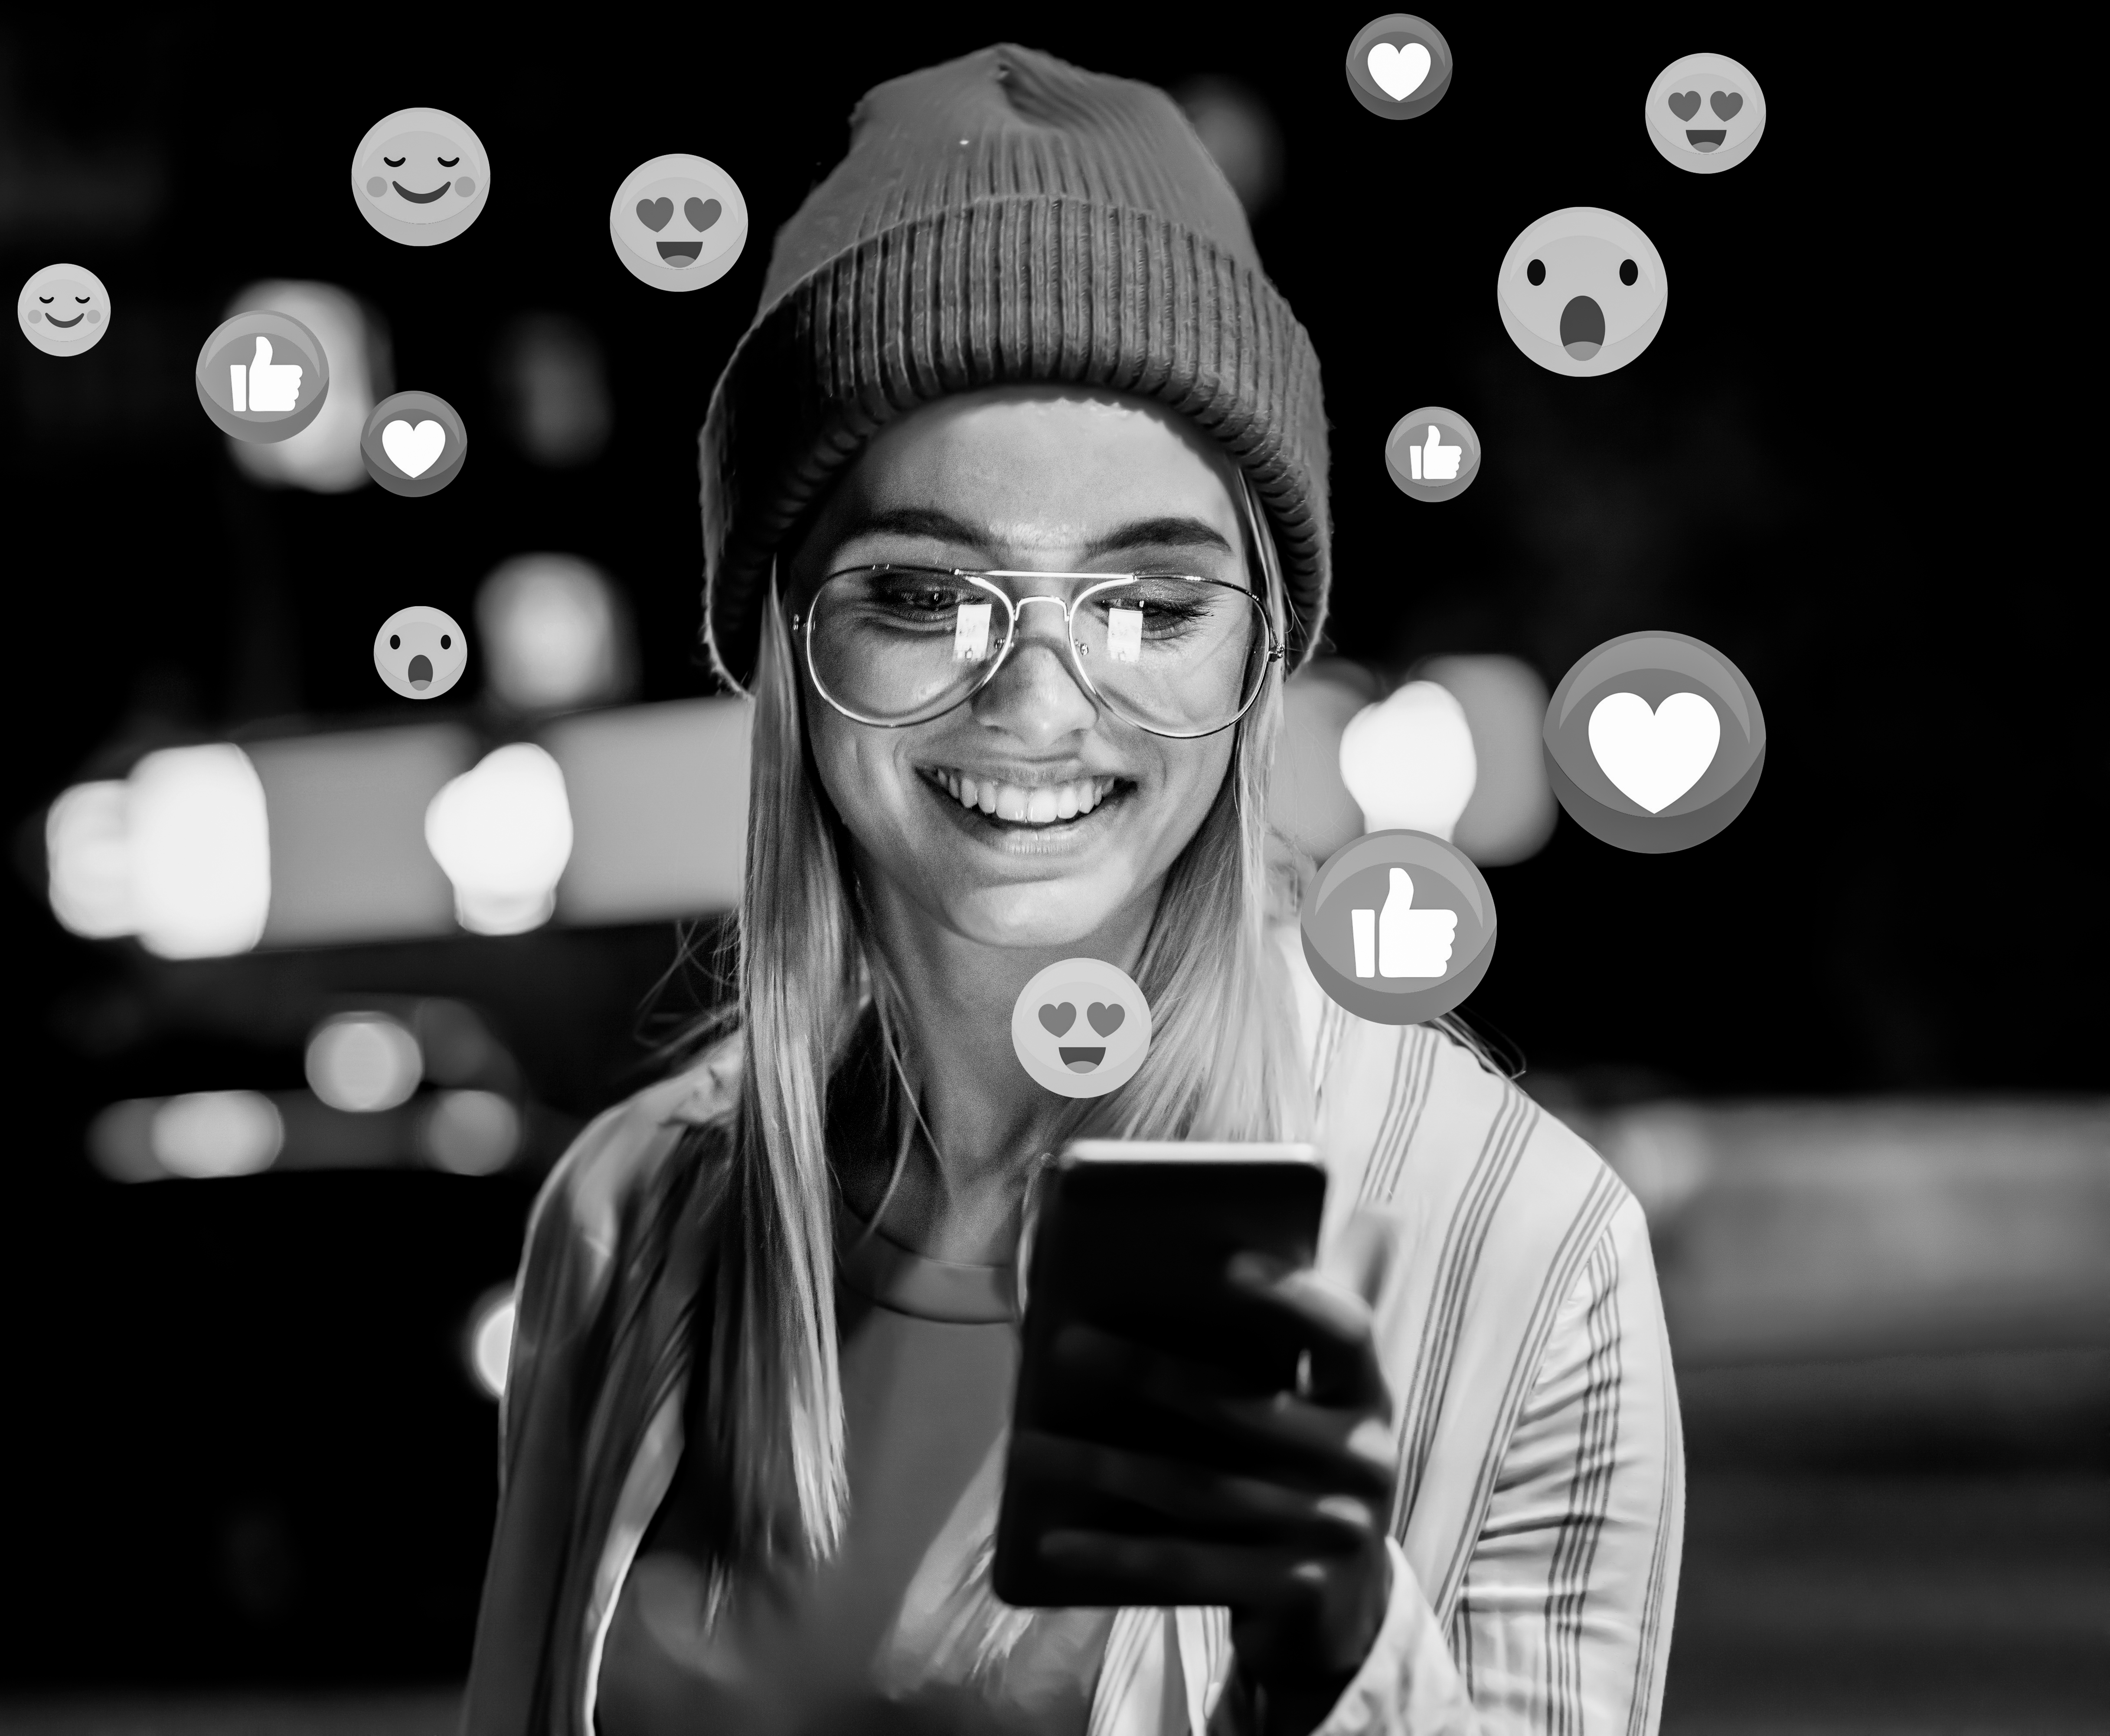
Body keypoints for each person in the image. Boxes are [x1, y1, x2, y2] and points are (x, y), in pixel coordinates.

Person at [463, 44, 1681, 1736]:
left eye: (1150, 601)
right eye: (918, 590)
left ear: (1260, 651)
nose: (1039, 704)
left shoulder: (1521, 1251)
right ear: (786, 651)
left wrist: (1344, 1665)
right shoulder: (630, 1218)